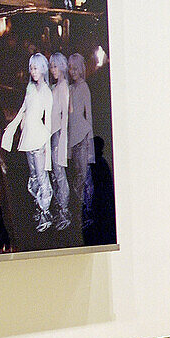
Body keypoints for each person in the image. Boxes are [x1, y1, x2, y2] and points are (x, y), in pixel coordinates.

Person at [1, 53, 53, 232]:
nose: (33, 71)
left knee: (41, 175)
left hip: (38, 137)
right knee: (33, 175)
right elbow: (23, 109)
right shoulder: (30, 88)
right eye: (31, 68)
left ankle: (45, 213)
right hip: (28, 137)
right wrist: (12, 126)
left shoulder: (46, 91)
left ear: (43, 69)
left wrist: (48, 146)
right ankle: (39, 208)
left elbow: (49, 122)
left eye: (36, 68)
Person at [67, 53, 95, 231]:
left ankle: (88, 213)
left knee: (84, 177)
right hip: (73, 137)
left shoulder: (84, 88)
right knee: (77, 177)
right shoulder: (69, 89)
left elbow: (88, 115)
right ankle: (81, 214)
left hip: (83, 136)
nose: (73, 71)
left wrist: (90, 145)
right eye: (70, 68)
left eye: (76, 68)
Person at [47, 52, 71, 231]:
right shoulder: (57, 86)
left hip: (58, 134)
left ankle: (64, 212)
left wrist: (62, 138)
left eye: (55, 66)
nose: (53, 70)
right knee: (56, 173)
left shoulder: (63, 87)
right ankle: (60, 211)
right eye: (51, 67)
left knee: (60, 173)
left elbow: (65, 115)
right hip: (53, 133)